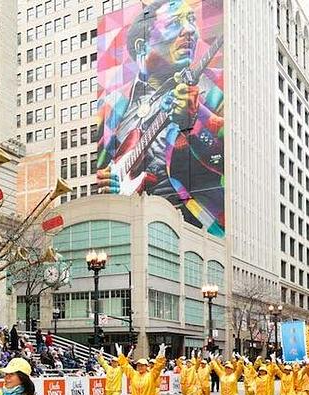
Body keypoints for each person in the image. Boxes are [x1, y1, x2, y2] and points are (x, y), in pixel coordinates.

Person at [95, 0, 224, 236]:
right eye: (176, 23)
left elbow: (230, 157)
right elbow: (105, 171)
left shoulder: (217, 85)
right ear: (142, 45)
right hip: (131, 229)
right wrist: (110, 185)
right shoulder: (111, 105)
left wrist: (196, 121)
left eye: (192, 21)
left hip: (198, 229)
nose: (190, 31)